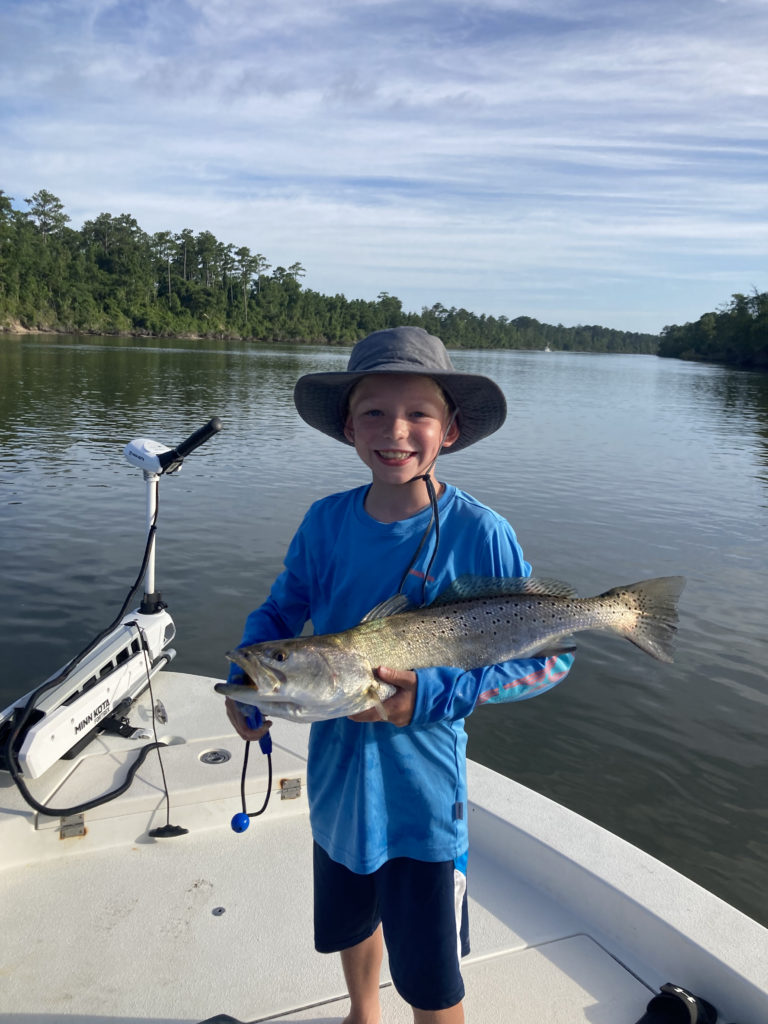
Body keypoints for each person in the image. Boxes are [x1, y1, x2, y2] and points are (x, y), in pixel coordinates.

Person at [225, 326, 573, 1024]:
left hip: (424, 803)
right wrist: (254, 672)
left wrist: (434, 694)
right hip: (335, 787)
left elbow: (549, 657)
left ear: (450, 430)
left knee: (431, 979)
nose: (396, 431)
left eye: (418, 413)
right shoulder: (325, 522)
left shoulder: (482, 533)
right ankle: (363, 1012)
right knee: (352, 919)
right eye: (375, 412)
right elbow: (282, 611)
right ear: (349, 427)